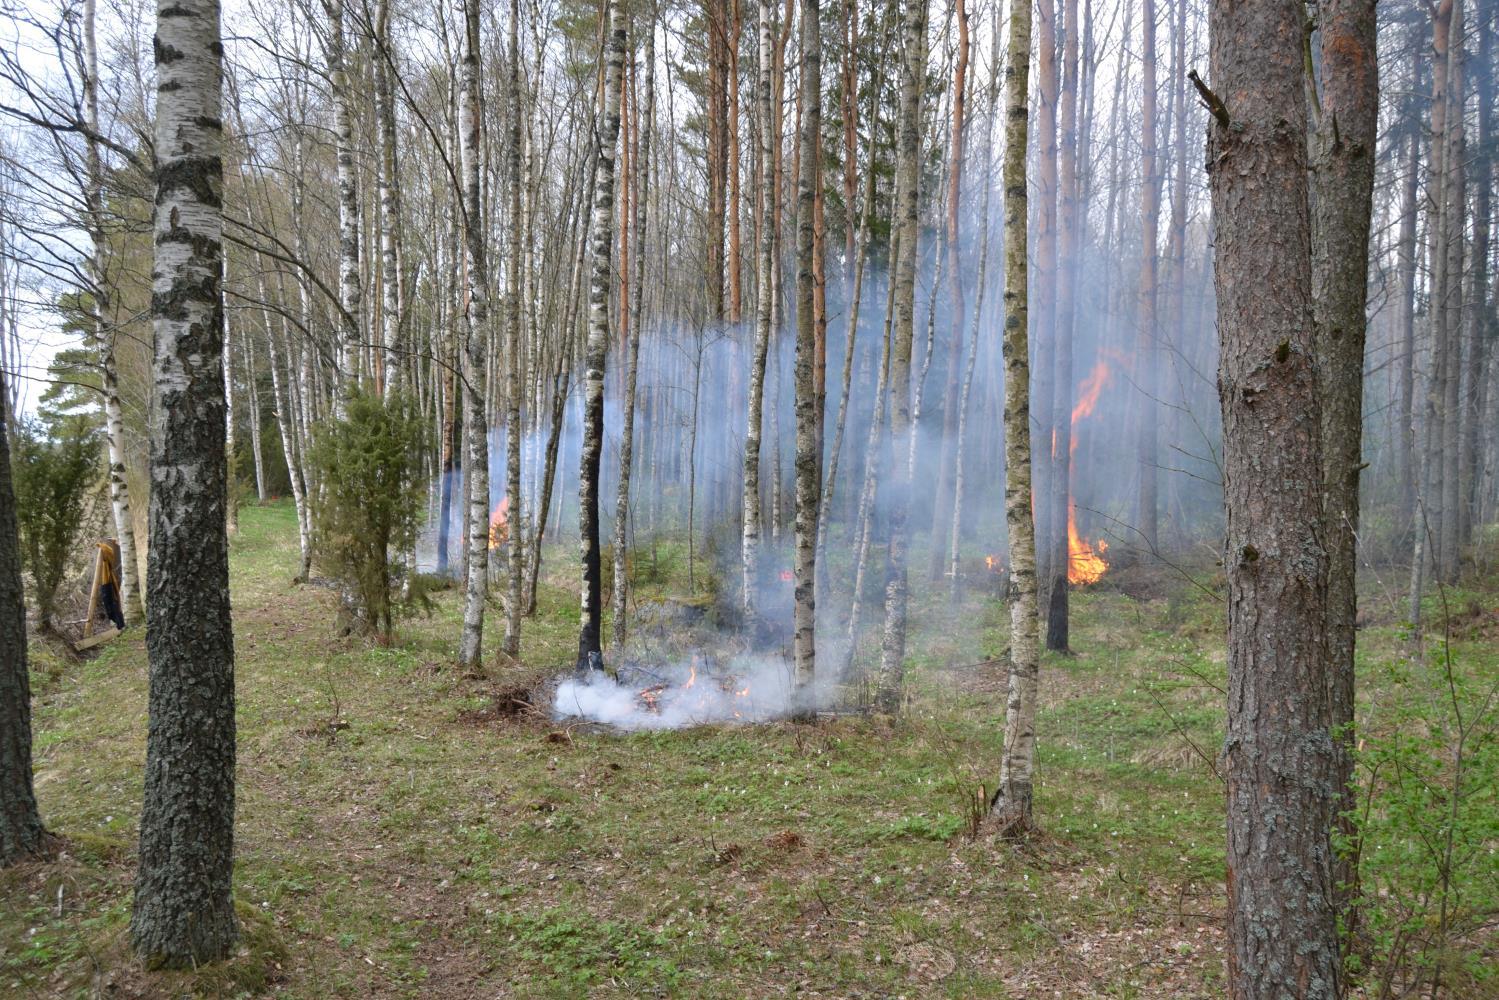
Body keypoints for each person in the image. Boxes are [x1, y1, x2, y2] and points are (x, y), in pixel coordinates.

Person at [97, 538, 125, 631]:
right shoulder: (111, 550)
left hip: (109, 581)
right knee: (112, 602)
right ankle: (118, 623)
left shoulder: (111, 550)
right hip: (109, 581)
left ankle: (119, 623)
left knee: (112, 603)